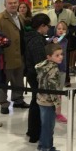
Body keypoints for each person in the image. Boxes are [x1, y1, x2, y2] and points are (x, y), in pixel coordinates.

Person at [0, 0, 28, 114]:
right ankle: (3, 104)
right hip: (6, 56)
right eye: (10, 3)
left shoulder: (20, 17)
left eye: (15, 3)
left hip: (19, 54)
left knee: (18, 79)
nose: (13, 5)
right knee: (4, 81)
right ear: (5, 5)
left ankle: (18, 99)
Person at [24, 13, 51, 143]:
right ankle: (35, 132)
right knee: (37, 102)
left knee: (36, 101)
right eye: (48, 26)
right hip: (36, 75)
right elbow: (40, 62)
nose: (48, 29)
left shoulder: (36, 37)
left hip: (33, 73)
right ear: (42, 26)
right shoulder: (36, 40)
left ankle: (33, 130)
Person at [35, 43, 63, 151]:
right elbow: (53, 89)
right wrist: (58, 105)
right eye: (57, 55)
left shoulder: (42, 66)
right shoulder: (54, 70)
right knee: (49, 126)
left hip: (41, 99)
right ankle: (47, 149)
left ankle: (42, 145)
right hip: (48, 101)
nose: (60, 57)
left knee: (44, 124)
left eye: (61, 54)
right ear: (49, 56)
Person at [47, 21, 68, 123]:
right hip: (52, 69)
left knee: (59, 92)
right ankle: (51, 111)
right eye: (59, 28)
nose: (61, 30)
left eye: (63, 29)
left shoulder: (65, 41)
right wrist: (52, 42)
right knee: (51, 92)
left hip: (62, 69)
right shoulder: (52, 40)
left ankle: (58, 113)